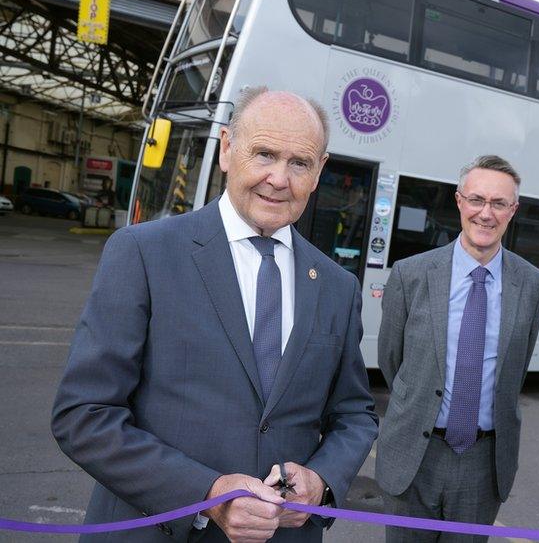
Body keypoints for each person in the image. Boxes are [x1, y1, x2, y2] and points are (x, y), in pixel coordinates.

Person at [51, 87, 378, 542]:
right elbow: (83, 415)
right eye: (263, 154)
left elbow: (355, 414)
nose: (278, 179)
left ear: (319, 171)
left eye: (299, 163)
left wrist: (322, 480)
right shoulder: (143, 253)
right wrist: (205, 492)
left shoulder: (338, 287)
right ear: (227, 150)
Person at [376, 155, 539, 542]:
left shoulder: (532, 284)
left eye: (498, 203)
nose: (486, 214)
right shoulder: (411, 274)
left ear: (513, 211)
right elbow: (391, 360)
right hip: (414, 455)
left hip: (482, 464)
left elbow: (514, 371)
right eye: (477, 200)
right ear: (459, 202)